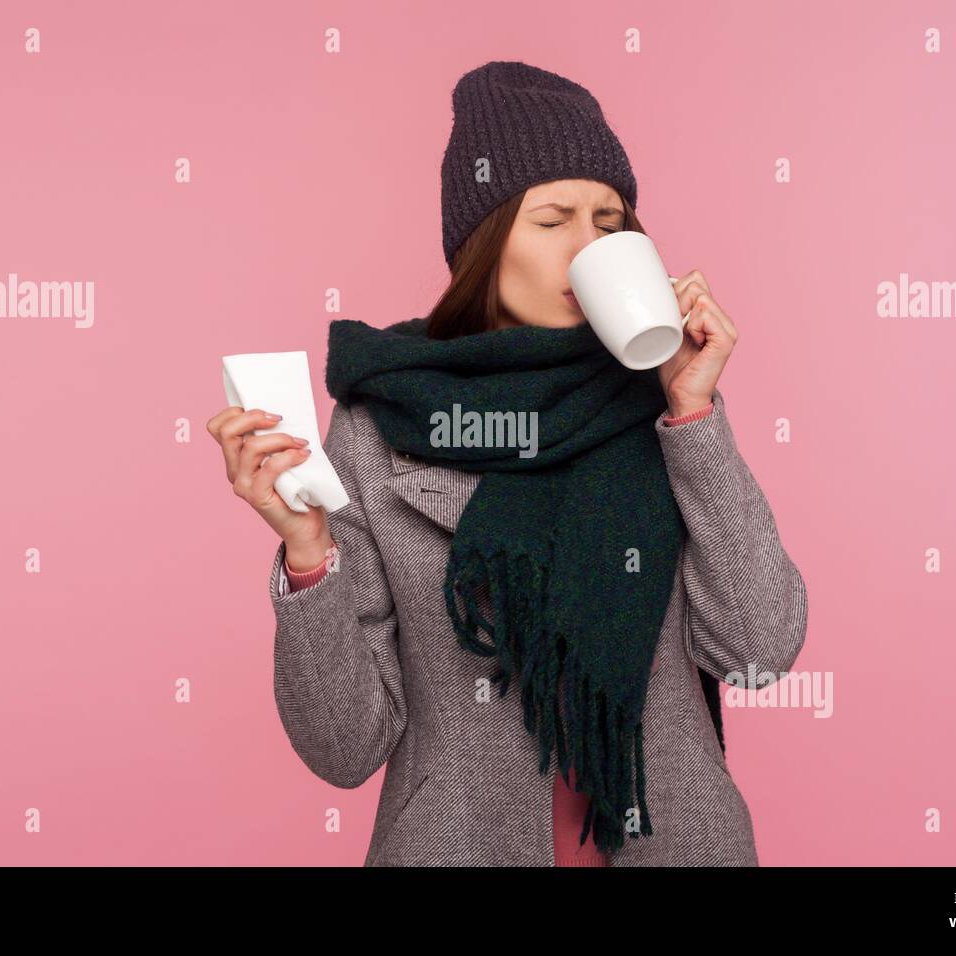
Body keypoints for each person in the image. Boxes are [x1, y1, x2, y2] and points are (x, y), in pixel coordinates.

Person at [207, 60, 807, 866]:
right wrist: (310, 556)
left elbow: (760, 650)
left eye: (610, 220)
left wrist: (693, 413)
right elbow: (345, 748)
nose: (589, 244)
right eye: (554, 218)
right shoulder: (379, 422)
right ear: (485, 245)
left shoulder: (660, 404)